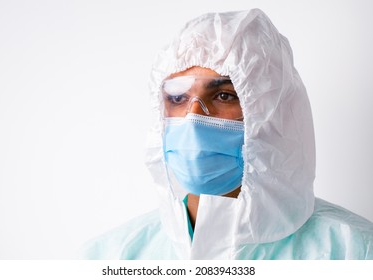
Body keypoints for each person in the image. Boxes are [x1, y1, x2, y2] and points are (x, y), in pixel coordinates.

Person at [82, 8, 373, 259]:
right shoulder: (113, 256)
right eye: (178, 98)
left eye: (223, 96)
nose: (193, 118)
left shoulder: (351, 253)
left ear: (272, 113)